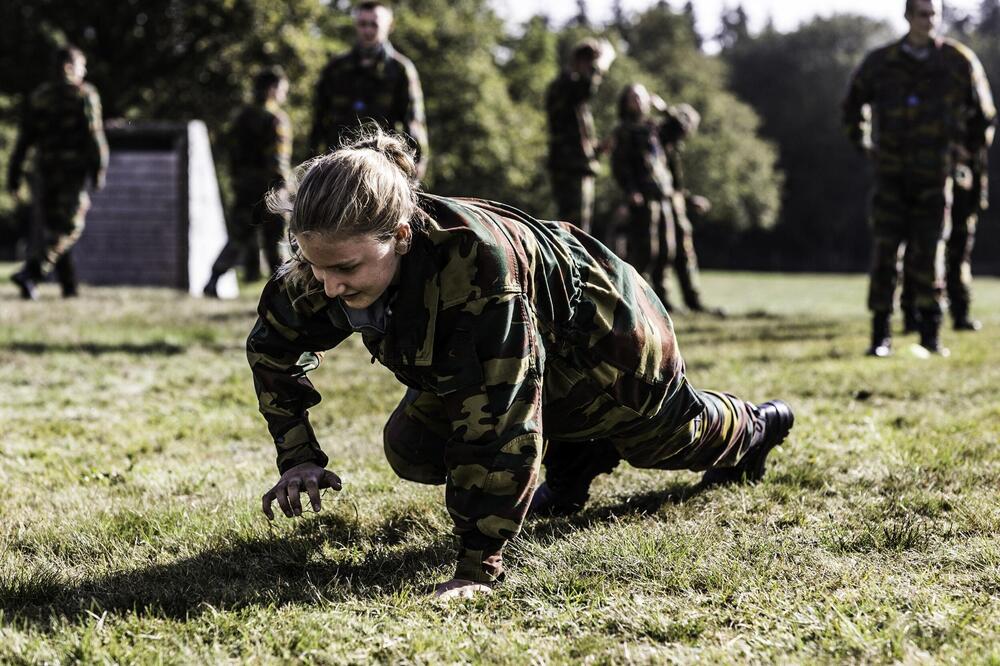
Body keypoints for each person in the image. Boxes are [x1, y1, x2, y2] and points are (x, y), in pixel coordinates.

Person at [248, 128, 794, 600]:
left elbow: (501, 423)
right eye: (315, 265)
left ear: (402, 237)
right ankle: (578, 451)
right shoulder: (323, 261)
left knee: (669, 442)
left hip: (603, 333)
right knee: (412, 448)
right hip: (521, 345)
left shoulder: (478, 274)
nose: (329, 285)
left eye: (345, 268)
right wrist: (297, 457)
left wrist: (476, 568)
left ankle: (757, 424)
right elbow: (272, 350)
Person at [842, 0, 995, 357]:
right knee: (885, 253)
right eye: (922, 14)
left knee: (930, 253)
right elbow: (851, 105)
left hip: (934, 177)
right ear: (908, 16)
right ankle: (880, 335)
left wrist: (966, 152)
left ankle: (931, 333)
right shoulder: (881, 63)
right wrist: (864, 144)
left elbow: (984, 115)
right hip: (891, 175)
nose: (929, 21)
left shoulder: (958, 61)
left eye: (934, 14)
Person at [7, 45, 108, 300]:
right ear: (70, 67)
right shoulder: (84, 94)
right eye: (82, 67)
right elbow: (95, 137)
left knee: (54, 228)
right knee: (71, 227)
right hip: (71, 174)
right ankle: (32, 272)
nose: (84, 72)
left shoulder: (40, 96)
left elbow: (24, 139)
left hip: (44, 171)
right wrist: (99, 170)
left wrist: (14, 174)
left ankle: (69, 287)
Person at [610, 83, 720, 313]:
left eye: (641, 96)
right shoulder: (623, 131)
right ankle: (641, 301)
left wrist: (665, 110)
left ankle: (669, 301)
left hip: (665, 197)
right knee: (649, 251)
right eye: (632, 97)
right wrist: (631, 192)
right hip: (644, 199)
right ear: (625, 103)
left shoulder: (654, 129)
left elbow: (682, 127)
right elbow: (620, 166)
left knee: (668, 250)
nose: (637, 101)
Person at [309, 1, 428, 178]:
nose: (368, 30)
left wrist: (417, 164)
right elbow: (319, 119)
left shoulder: (400, 69)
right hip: (337, 165)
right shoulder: (336, 68)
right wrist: (312, 161)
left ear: (389, 26)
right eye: (363, 24)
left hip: (383, 168)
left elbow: (413, 122)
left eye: (374, 24)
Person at [204, 66, 293, 296]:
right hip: (269, 189)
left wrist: (237, 181)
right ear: (273, 89)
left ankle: (213, 280)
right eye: (282, 89)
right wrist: (284, 188)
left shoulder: (241, 117)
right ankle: (281, 292)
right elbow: (278, 159)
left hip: (244, 187)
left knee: (238, 236)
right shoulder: (275, 119)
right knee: (276, 240)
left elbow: (231, 154)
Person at [900, 145, 991, 332]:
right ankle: (913, 313)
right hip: (935, 186)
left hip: (964, 194)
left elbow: (979, 153)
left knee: (959, 255)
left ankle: (960, 313)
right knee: (923, 250)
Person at [544, 38, 614, 237]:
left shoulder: (574, 93)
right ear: (578, 61)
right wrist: (604, 60)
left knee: (580, 229)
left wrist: (598, 147)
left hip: (579, 167)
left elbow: (575, 138)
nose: (591, 68)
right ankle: (570, 269)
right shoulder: (563, 86)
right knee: (573, 231)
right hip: (569, 168)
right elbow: (586, 88)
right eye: (588, 62)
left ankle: (575, 268)